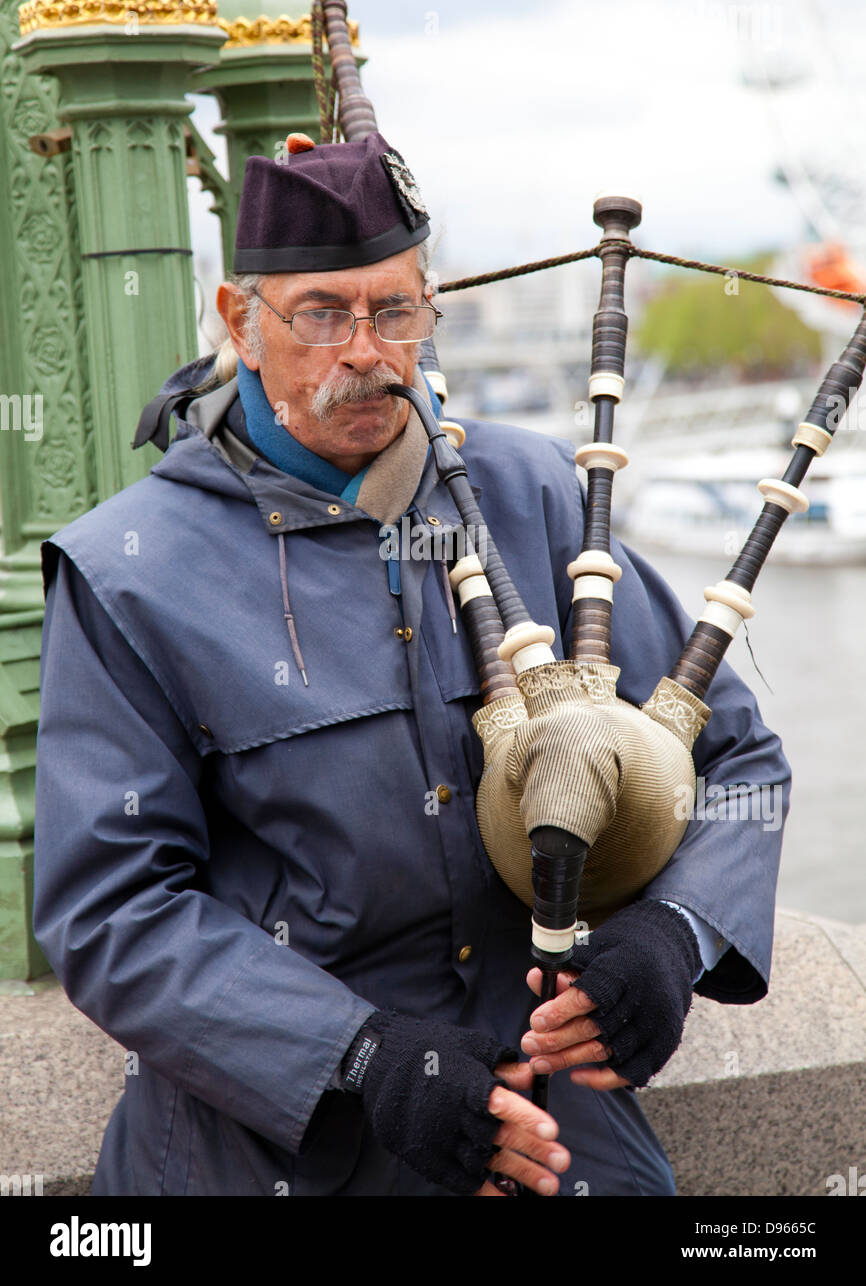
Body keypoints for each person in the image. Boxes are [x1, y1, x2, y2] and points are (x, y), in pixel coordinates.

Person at [33, 130, 789, 1197]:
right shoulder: (131, 573)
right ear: (239, 322)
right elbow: (110, 908)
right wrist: (360, 1053)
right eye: (322, 314)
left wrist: (674, 935)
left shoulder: (532, 494)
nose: (365, 352)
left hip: (553, 1128)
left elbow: (735, 756)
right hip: (276, 1148)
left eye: (395, 311)